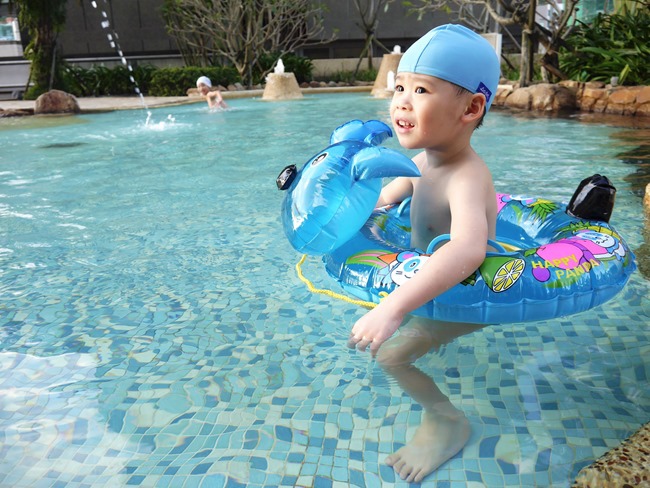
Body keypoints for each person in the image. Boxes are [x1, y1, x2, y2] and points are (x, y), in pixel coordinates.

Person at [347, 24, 501, 483]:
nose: (401, 102)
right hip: (427, 282)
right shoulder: (418, 164)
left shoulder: (466, 177)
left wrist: (394, 307)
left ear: (471, 108)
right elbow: (378, 204)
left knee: (391, 356)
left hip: (470, 297)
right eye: (398, 87)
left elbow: (470, 250)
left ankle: (447, 420)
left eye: (420, 89)